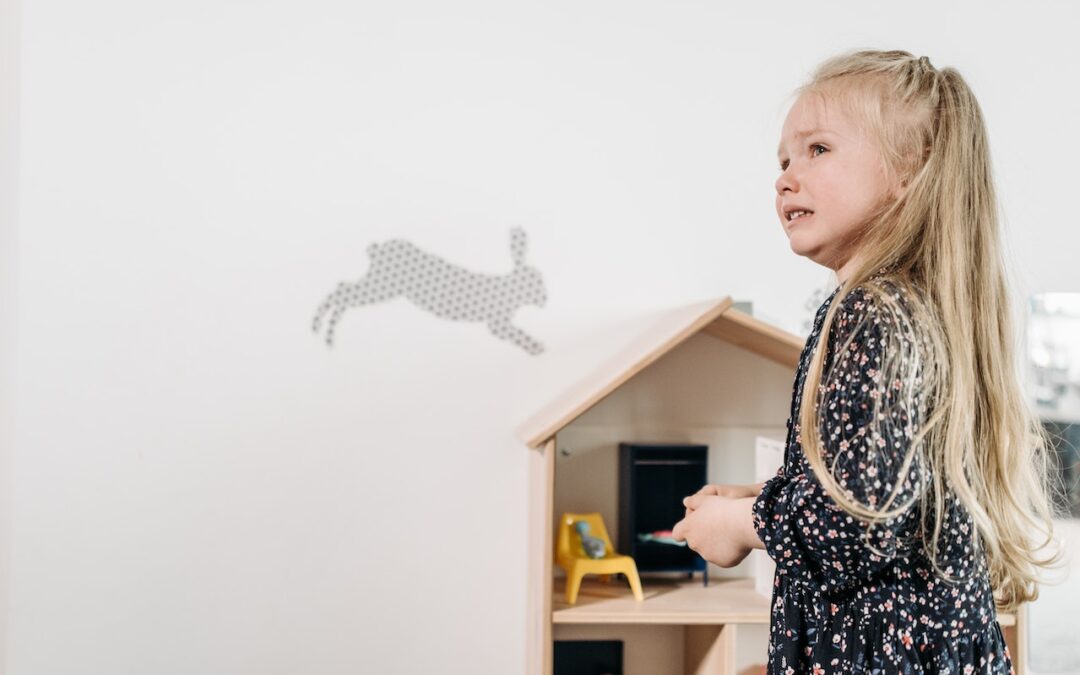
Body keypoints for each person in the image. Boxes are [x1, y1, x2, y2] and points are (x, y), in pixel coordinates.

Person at [671, 49, 1067, 673]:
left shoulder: (876, 314)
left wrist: (746, 523)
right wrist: (771, 496)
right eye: (783, 159)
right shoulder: (910, 308)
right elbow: (891, 489)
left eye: (817, 150)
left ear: (910, 171)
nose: (785, 176)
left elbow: (868, 521)